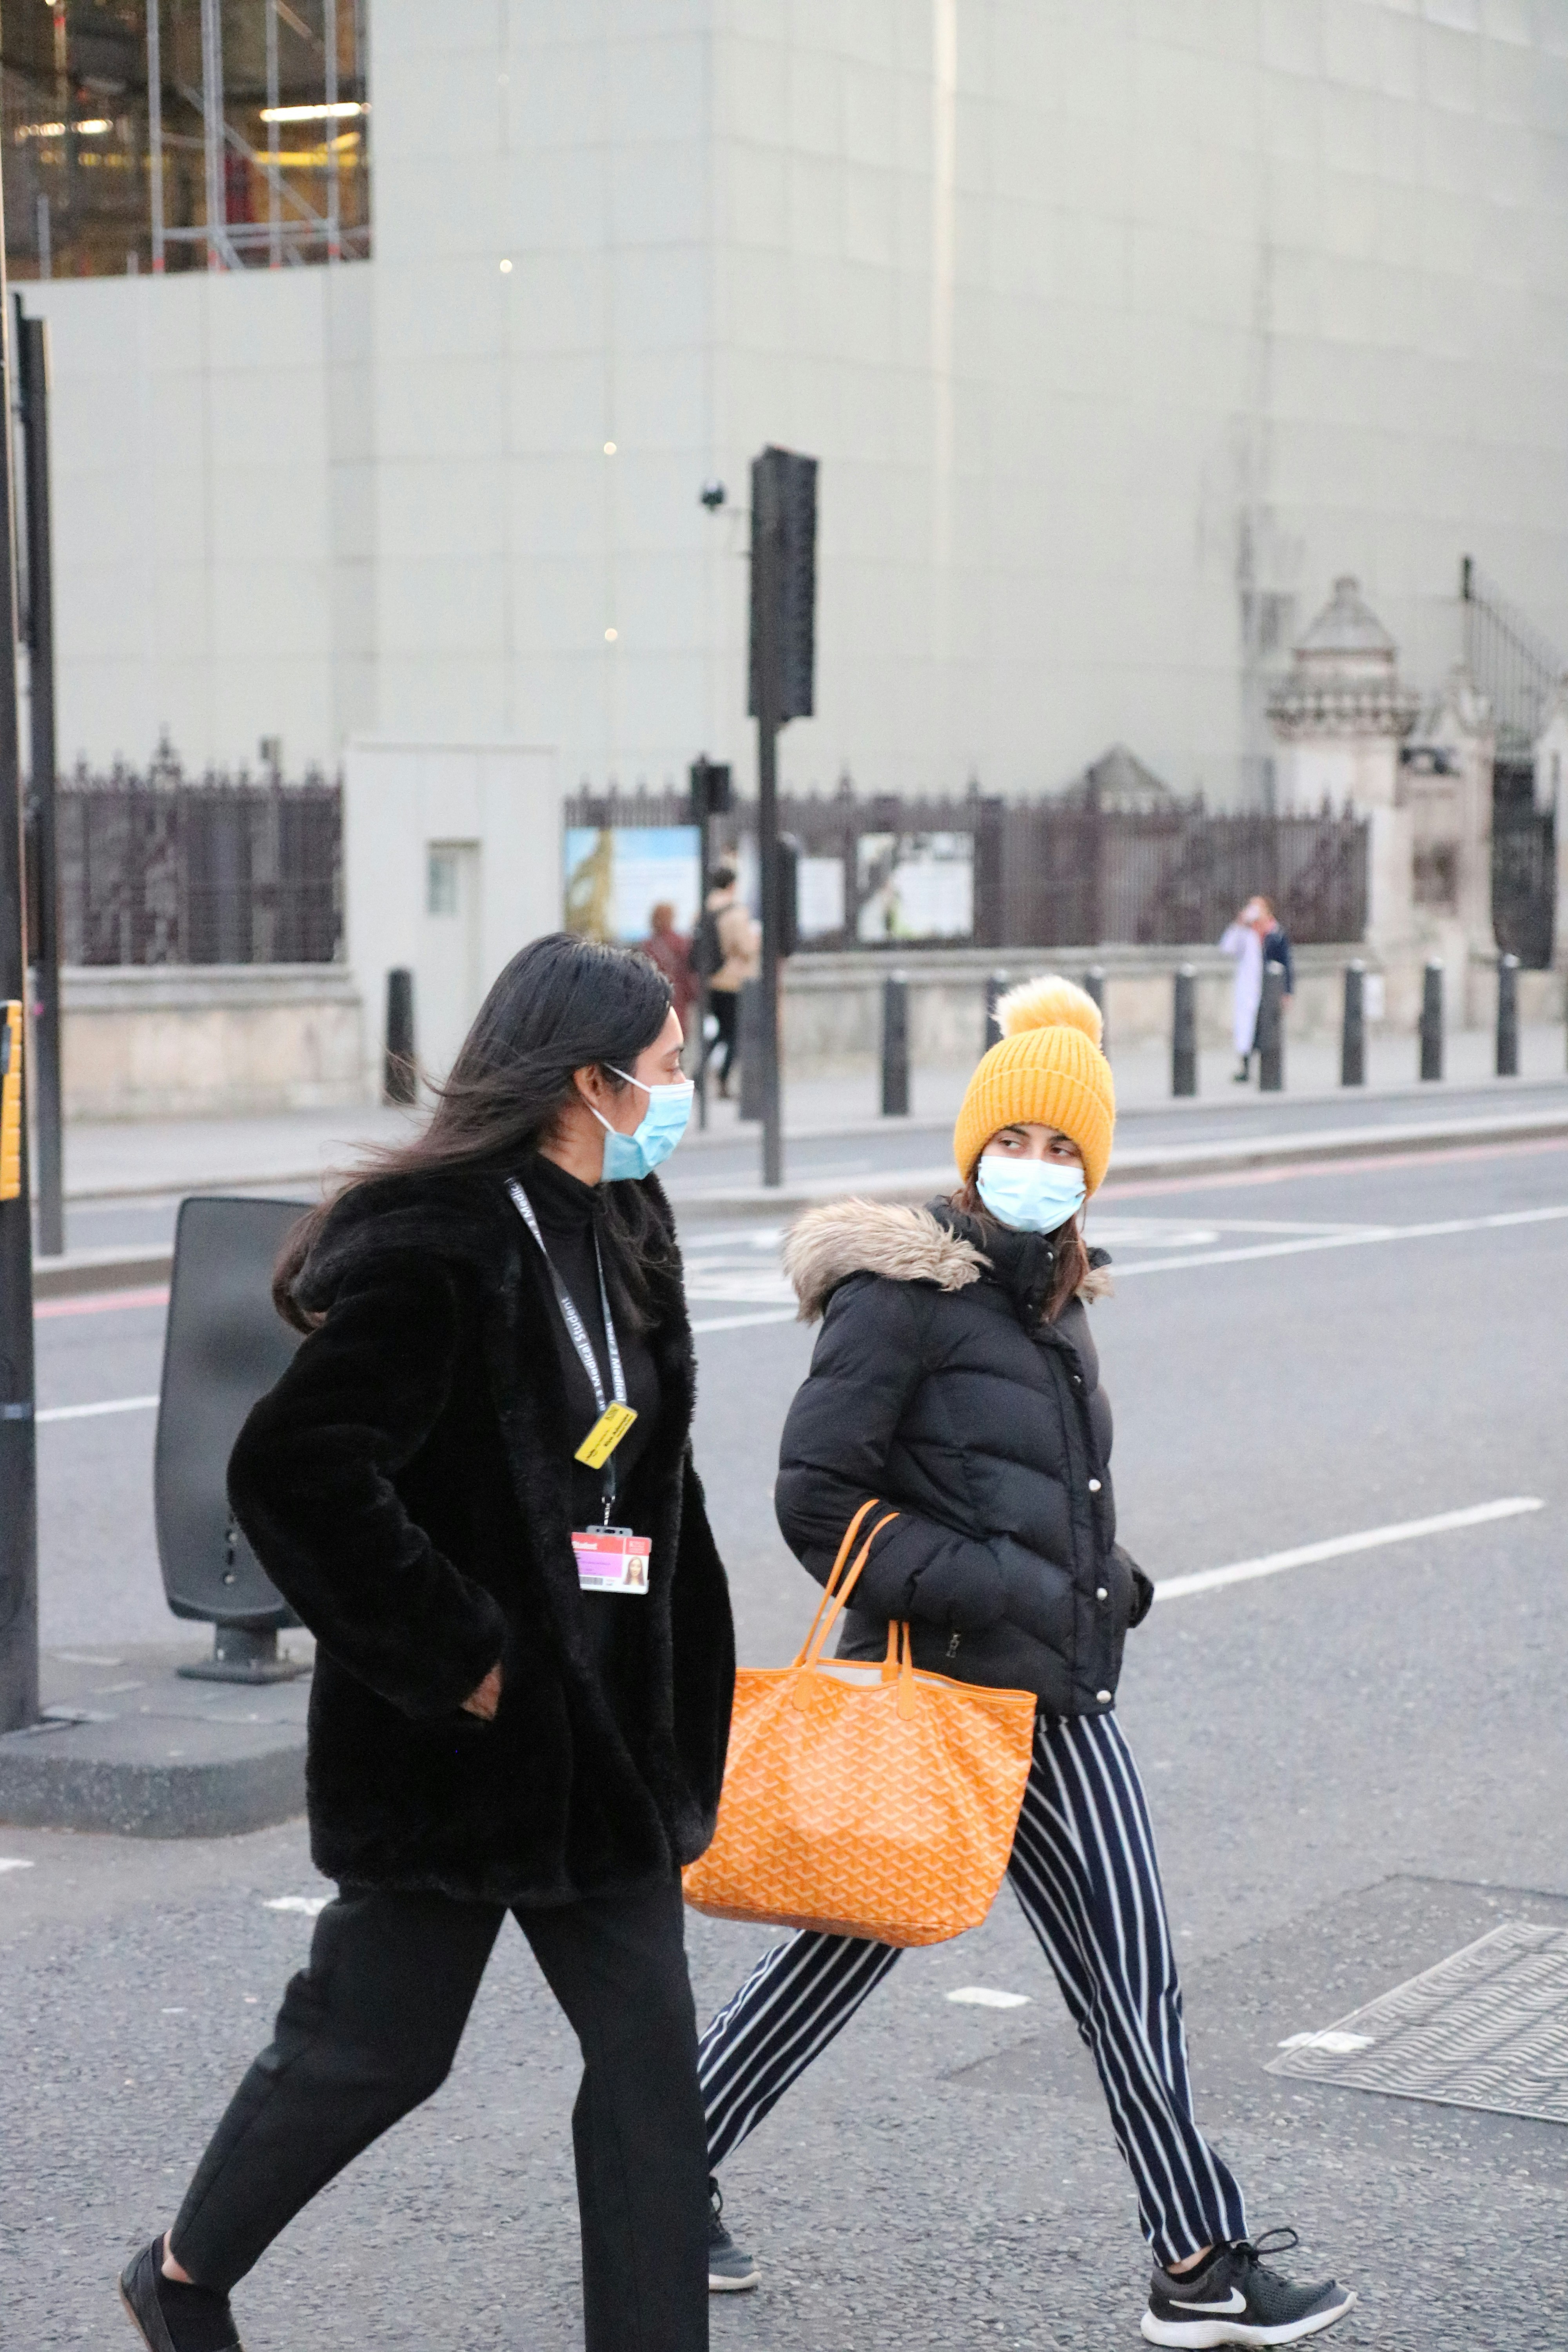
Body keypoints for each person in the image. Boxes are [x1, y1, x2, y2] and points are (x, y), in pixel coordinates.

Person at [694, 976, 1355, 2346]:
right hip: (956, 1694)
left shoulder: (1049, 1293)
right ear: (974, 1145)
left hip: (1051, 1687)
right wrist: (999, 1587)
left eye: (1067, 1151)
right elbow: (816, 1496)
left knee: (1061, 1969)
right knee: (1059, 1964)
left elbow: (1033, 1487)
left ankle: (1190, 2257)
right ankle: (1195, 2260)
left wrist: (1106, 1586)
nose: (1038, 1169)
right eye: (1019, 1142)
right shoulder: (909, 1290)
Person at [118, 934, 735, 2352]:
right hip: (462, 1751)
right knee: (374, 2052)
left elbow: (641, 1480)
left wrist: (675, 1687)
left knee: (648, 2071)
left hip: (603, 1756)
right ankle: (184, 2271)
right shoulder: (443, 1236)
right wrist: (464, 1655)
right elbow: (295, 1469)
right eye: (664, 1067)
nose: (681, 1087)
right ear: (587, 1080)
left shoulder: (629, 1225)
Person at [693, 865, 759, 1100]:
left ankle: (699, 1071)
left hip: (709, 980)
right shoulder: (736, 912)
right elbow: (747, 949)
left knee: (718, 1031)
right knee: (734, 1034)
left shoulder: (703, 909)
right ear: (732, 885)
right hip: (733, 981)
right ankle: (722, 1080)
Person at [1219, 897, 1295, 1083]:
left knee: (1267, 1028)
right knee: (1247, 1029)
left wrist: (1287, 992)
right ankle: (1245, 1068)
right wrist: (1239, 924)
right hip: (1249, 989)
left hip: (1270, 988)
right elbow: (1227, 948)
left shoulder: (1276, 934)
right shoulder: (1246, 932)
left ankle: (1269, 1067)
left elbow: (1287, 964)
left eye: (1258, 908)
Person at [641, 899, 698, 1041]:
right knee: (678, 1036)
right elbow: (687, 971)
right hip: (678, 996)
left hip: (654, 998)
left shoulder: (647, 945)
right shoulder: (680, 942)